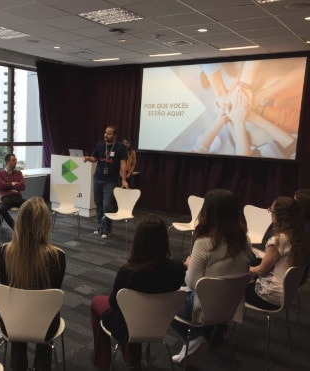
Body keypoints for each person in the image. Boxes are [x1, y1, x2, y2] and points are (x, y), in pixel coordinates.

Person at [90, 214, 185, 370]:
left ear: (138, 240)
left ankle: (102, 360)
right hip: (159, 322)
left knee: (97, 302)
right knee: (131, 310)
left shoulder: (128, 272)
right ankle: (132, 358)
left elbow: (114, 303)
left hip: (129, 323)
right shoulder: (177, 269)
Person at [170, 188, 251, 366]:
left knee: (166, 301)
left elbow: (191, 282)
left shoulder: (204, 243)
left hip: (204, 306)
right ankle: (215, 334)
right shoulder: (244, 240)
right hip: (230, 304)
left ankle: (195, 339)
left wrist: (190, 264)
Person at [0, 197, 66, 371]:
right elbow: (54, 292)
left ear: (19, 221)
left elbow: (5, 287)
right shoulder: (57, 256)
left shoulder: (4, 251)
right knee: (46, 311)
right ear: (45, 224)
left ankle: (17, 366)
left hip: (12, 322)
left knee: (18, 313)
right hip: (46, 324)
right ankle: (42, 366)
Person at [246, 196, 310, 310]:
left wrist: (242, 268)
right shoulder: (301, 237)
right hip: (288, 295)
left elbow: (260, 270)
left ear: (279, 216)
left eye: (271, 210)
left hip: (269, 296)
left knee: (231, 288)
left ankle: (219, 324)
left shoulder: (279, 240)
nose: (270, 212)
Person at [83, 126, 128, 239]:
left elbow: (123, 164)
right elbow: (95, 158)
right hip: (98, 178)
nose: (105, 135)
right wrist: (89, 158)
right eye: (105, 133)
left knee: (107, 205)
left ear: (114, 136)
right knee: (98, 203)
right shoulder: (100, 145)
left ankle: (106, 229)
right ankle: (101, 226)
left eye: (108, 133)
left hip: (111, 181)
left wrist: (123, 179)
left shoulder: (120, 147)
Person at [0, 154, 26, 229]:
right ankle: (14, 227)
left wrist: (7, 185)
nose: (16, 162)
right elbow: (1, 186)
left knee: (31, 206)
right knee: (2, 209)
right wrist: (13, 183)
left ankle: (26, 227)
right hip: (7, 197)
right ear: (8, 162)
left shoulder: (19, 173)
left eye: (16, 160)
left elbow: (22, 186)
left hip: (18, 197)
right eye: (13, 160)